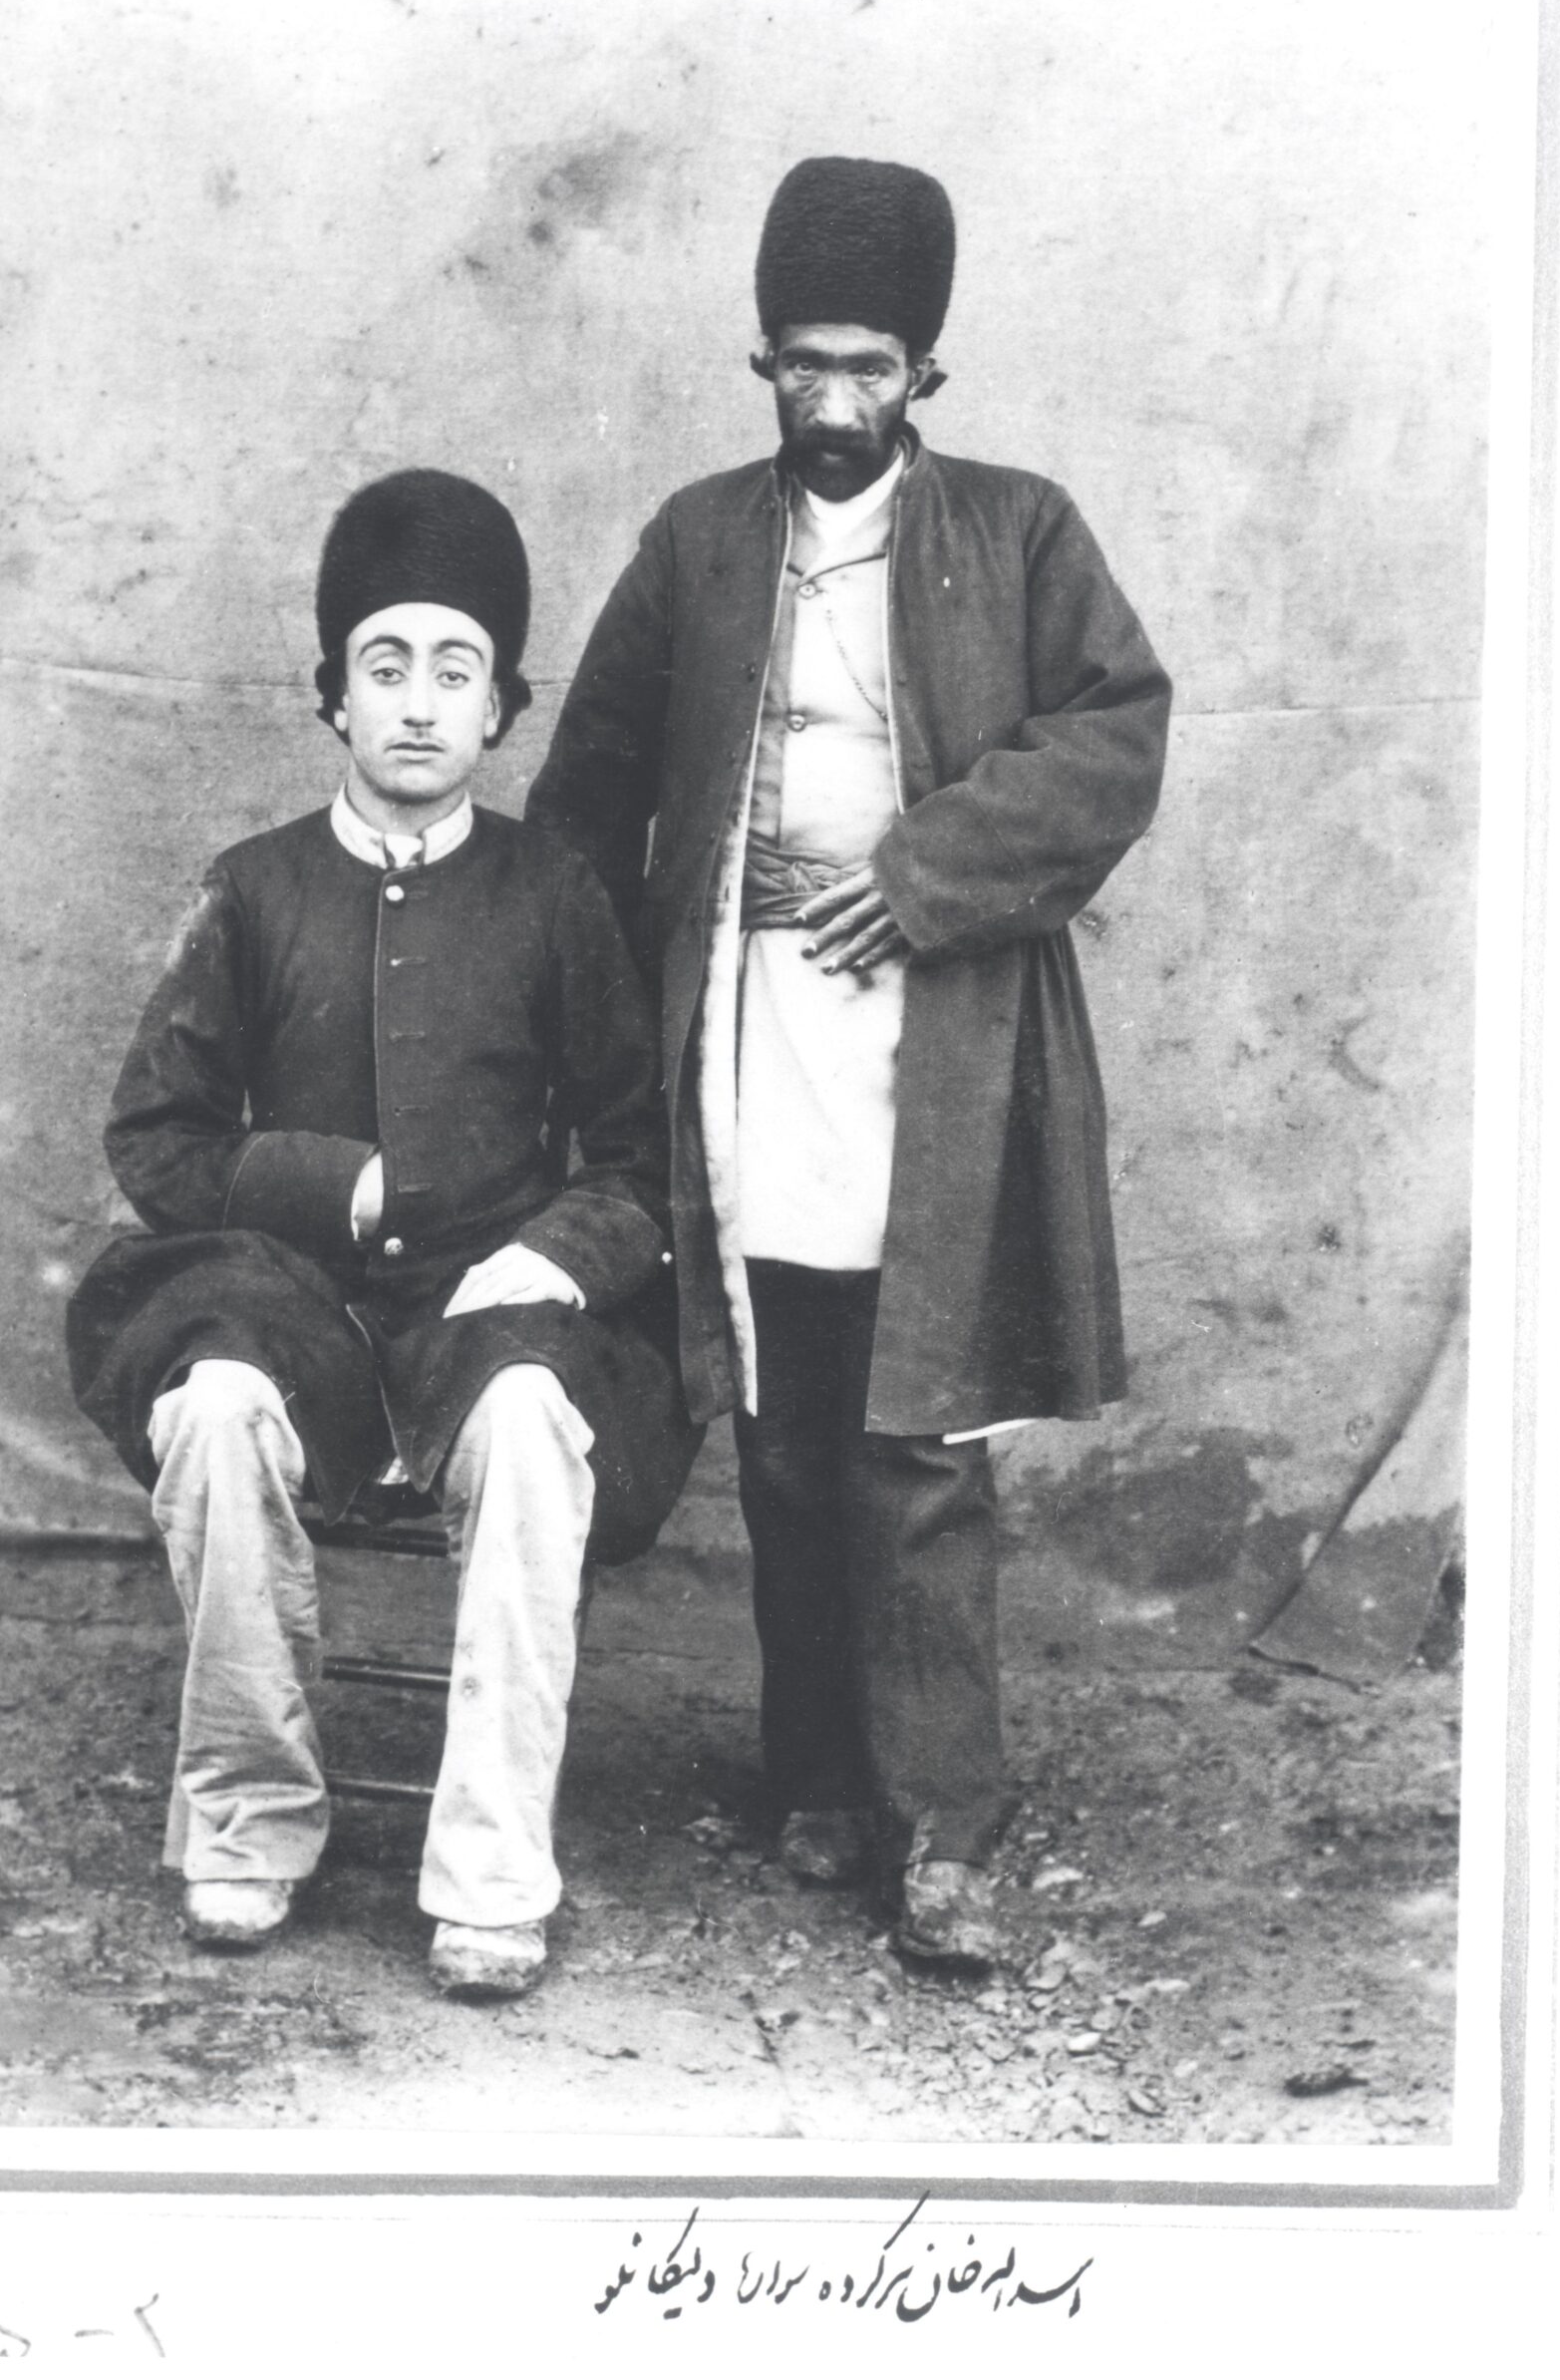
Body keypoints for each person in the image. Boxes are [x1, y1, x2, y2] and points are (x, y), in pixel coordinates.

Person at [526, 157, 1172, 1971]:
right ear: (765, 363)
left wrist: (919, 876)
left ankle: (946, 1828)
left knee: (920, 1440)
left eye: (869, 368)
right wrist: (618, 985)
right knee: (789, 1429)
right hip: (748, 1035)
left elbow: (1115, 737)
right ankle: (818, 1773)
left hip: (937, 1042)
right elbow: (589, 789)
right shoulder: (697, 541)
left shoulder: (1022, 531)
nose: (833, 401)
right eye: (804, 363)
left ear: (924, 377)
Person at [68, 469, 695, 2000]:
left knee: (538, 1421)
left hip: (491, 1314)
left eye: (455, 671)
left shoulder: (552, 892)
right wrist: (315, 1179)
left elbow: (637, 1156)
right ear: (334, 697)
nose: (418, 704)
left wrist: (557, 1256)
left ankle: (491, 1867)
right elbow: (157, 1138)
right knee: (214, 1407)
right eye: (387, 666)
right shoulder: (254, 888)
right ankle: (249, 1817)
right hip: (286, 1304)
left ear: (501, 710)